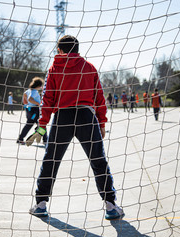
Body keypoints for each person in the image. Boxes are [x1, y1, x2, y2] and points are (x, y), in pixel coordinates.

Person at [26, 35, 124, 220]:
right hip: (87, 116)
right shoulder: (90, 68)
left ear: (61, 51)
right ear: (77, 50)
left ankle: (40, 204)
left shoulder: (54, 69)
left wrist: (42, 124)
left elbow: (47, 99)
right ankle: (111, 205)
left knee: (51, 160)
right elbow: (99, 98)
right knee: (98, 160)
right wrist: (101, 122)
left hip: (63, 117)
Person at [17, 77, 47, 145]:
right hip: (35, 110)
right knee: (41, 124)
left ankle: (20, 138)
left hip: (29, 109)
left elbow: (25, 95)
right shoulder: (34, 91)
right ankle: (45, 140)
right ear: (39, 86)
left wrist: (26, 102)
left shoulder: (28, 90)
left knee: (29, 124)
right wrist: (39, 103)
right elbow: (30, 99)